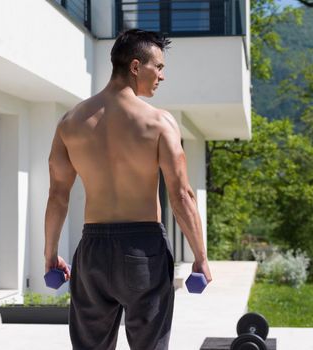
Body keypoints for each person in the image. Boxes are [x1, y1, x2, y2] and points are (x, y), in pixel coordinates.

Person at [43, 29, 212, 350]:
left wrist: (50, 255)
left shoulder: (70, 122)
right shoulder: (159, 123)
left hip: (92, 251)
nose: (162, 75)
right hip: (143, 250)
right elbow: (181, 195)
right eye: (158, 67)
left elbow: (57, 196)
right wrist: (200, 257)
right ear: (136, 67)